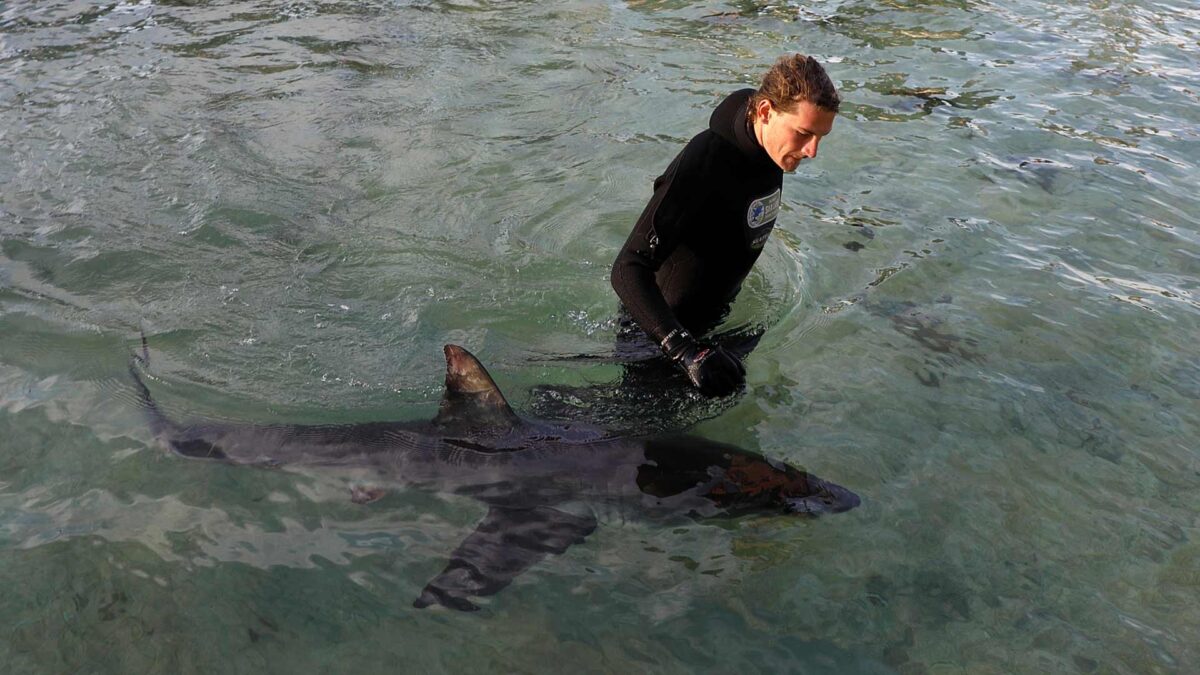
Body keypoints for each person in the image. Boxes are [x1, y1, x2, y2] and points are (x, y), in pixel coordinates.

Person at [610, 54, 839, 397]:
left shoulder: (772, 150)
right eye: (804, 134)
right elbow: (628, 268)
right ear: (764, 112)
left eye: (821, 137)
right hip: (660, 339)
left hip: (715, 328)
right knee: (639, 444)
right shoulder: (707, 159)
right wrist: (686, 352)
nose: (812, 151)